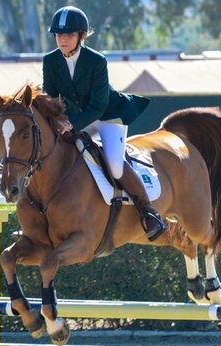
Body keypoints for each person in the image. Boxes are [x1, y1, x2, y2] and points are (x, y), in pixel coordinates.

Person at [43, 5, 166, 241]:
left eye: (68, 34)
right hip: (78, 118)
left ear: (81, 36)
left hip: (107, 116)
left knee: (114, 164)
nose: (63, 39)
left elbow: (98, 106)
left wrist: (72, 125)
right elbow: (51, 97)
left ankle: (148, 212)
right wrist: (56, 121)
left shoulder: (96, 61)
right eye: (59, 34)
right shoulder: (50, 61)